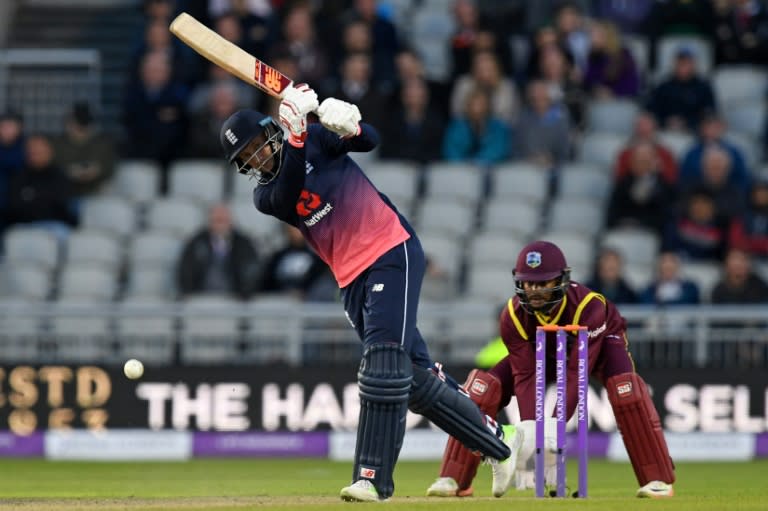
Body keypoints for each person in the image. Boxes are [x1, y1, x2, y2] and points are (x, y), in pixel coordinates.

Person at [217, 84, 518, 502]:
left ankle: (372, 477)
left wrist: (349, 124)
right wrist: (298, 135)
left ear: (270, 133)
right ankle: (500, 443)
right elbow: (288, 191)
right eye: (245, 158)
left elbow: (371, 140)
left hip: (390, 248)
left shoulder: (317, 139)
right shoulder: (264, 196)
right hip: (350, 277)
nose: (255, 158)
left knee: (382, 363)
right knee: (410, 378)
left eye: (255, 148)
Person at [426, 240, 675, 499]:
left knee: (626, 391)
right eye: (528, 283)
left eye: (542, 283)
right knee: (481, 390)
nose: (534, 291)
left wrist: (553, 433)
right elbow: (525, 377)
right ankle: (454, 479)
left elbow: (575, 374)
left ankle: (657, 479)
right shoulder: (512, 316)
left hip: (598, 345)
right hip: (539, 350)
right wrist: (531, 434)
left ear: (562, 280)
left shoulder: (589, 307)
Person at [176, 203, 260, 300]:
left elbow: (251, 270)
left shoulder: (244, 243)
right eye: (217, 220)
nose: (220, 223)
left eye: (223, 220)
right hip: (202, 299)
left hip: (235, 299)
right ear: (210, 221)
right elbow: (185, 270)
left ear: (231, 221)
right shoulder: (196, 243)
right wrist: (189, 294)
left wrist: (245, 293)